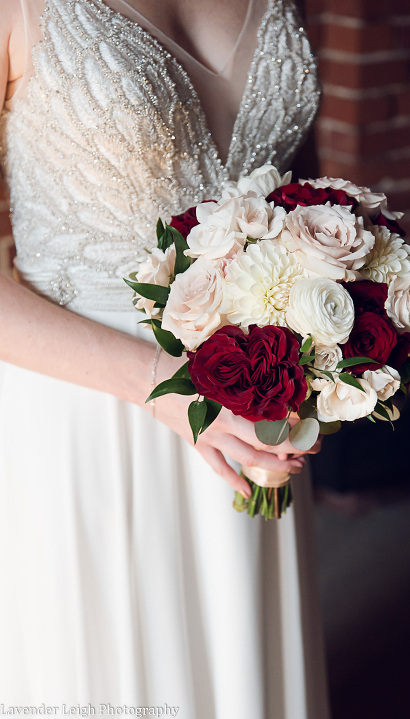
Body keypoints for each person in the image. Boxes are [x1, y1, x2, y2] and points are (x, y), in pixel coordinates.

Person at [0, 0, 329, 716]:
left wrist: (333, 341)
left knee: (244, 658)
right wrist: (164, 384)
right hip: (89, 421)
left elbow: (307, 198)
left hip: (256, 400)